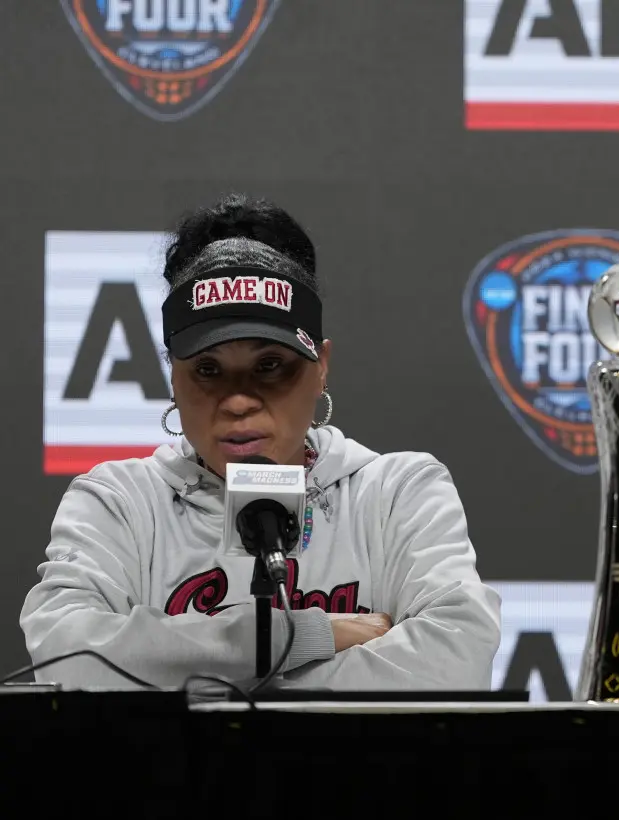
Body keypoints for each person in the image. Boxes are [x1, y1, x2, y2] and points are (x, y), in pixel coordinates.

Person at [20, 194, 502, 691]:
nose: (237, 401)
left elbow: (455, 664)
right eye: (207, 369)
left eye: (269, 366)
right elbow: (68, 657)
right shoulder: (118, 501)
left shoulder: (398, 492)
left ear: (321, 367)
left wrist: (186, 678)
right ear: (172, 376)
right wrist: (294, 637)